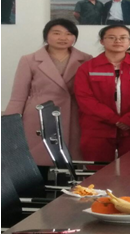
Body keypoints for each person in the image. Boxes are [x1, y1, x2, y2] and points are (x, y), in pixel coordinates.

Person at [5, 19, 93, 167]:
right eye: (57, 33)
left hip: (75, 115)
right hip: (39, 115)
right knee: (39, 159)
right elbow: (18, 96)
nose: (63, 38)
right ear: (46, 35)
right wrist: (10, 124)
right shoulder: (29, 60)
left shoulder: (86, 59)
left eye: (69, 34)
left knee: (72, 161)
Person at [74, 25, 130, 163]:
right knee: (97, 171)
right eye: (111, 37)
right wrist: (114, 119)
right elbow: (85, 98)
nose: (117, 41)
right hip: (97, 129)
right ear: (102, 41)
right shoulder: (87, 68)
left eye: (123, 37)